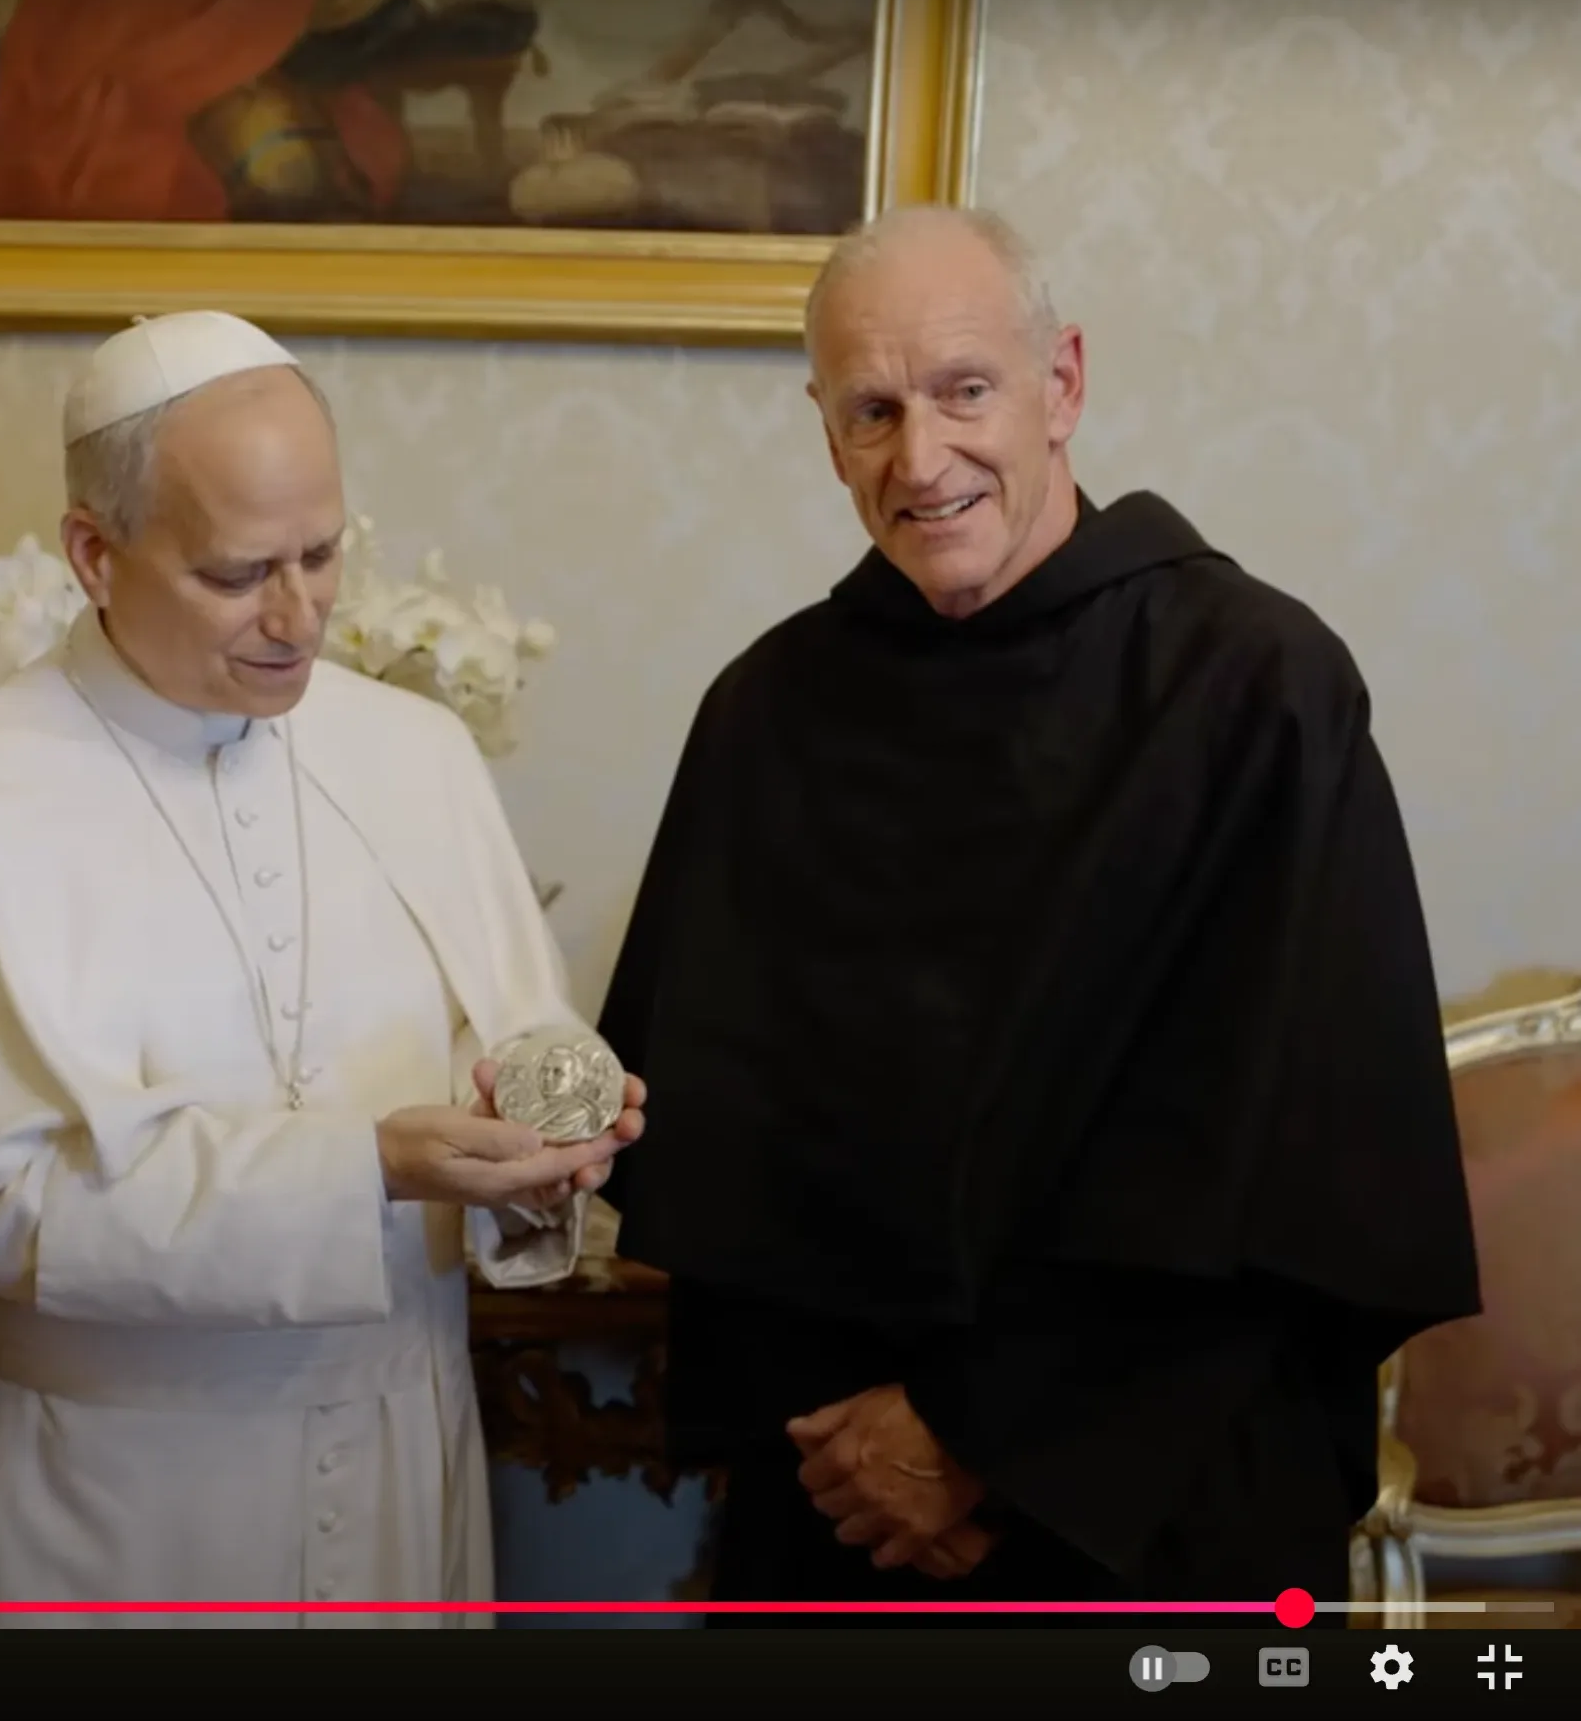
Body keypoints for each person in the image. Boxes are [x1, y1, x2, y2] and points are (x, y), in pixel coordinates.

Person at [594, 206, 1481, 1618]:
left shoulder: (1256, 687)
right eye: (873, 411)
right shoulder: (768, 711)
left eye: (965, 390)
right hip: (845, 1509)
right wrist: (866, 1454)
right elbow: (726, 1145)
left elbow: (1295, 1152)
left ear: (1061, 383)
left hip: (1162, 1496)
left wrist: (979, 1440)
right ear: (826, 434)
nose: (921, 458)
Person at [0, 311, 645, 1626]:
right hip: (95, 1501)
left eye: (322, 554)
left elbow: (510, 1043)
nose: (299, 616)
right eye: (238, 574)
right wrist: (371, 1166)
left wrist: (542, 1146)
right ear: (93, 553)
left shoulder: (420, 756)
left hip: (397, 1460)